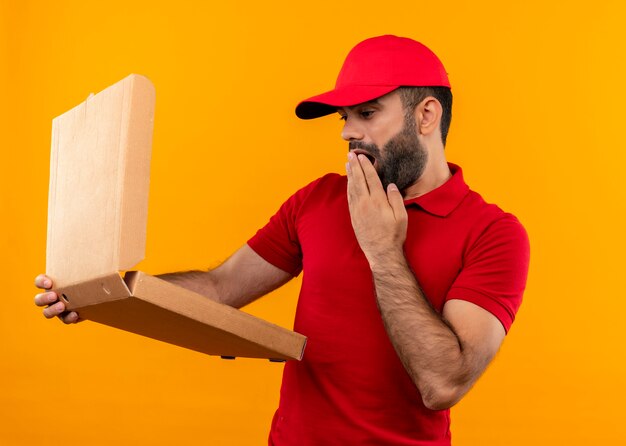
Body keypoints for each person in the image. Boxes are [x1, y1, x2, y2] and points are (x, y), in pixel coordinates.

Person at [34, 35, 530, 445]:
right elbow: (220, 288)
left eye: (367, 113)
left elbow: (443, 383)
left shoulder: (494, 233)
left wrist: (383, 250)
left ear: (426, 116)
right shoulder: (318, 200)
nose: (347, 133)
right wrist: (105, 295)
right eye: (344, 118)